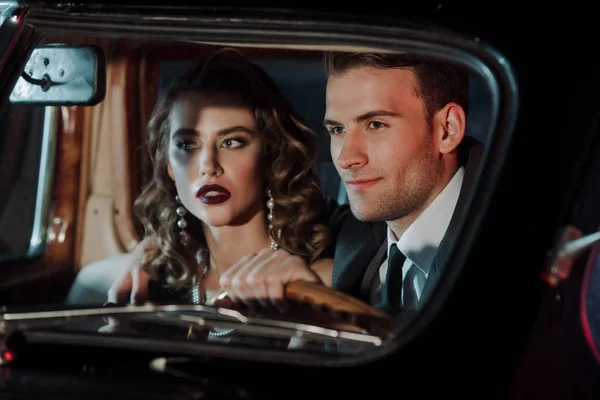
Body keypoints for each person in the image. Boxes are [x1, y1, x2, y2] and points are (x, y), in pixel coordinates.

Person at [110, 50, 483, 318]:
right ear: (167, 162)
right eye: (336, 129)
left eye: (375, 124)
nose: (345, 157)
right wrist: (151, 250)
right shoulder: (368, 235)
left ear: (447, 129)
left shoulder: (339, 245)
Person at [105, 47, 340, 309]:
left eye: (231, 142)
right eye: (187, 144)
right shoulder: (155, 283)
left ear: (271, 155)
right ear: (169, 166)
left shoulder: (317, 274)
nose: (208, 166)